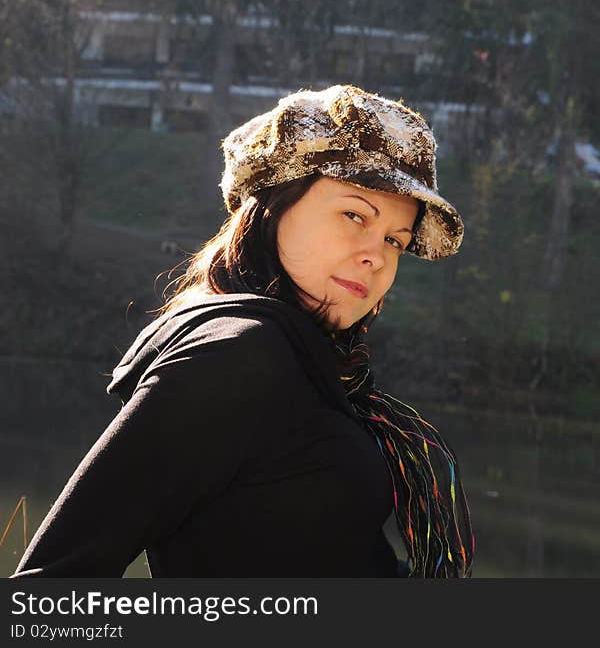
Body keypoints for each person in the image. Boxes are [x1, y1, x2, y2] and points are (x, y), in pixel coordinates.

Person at [11, 85, 474, 578]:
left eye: (394, 240)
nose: (376, 255)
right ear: (273, 206)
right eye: (354, 215)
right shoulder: (238, 355)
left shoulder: (319, 367)